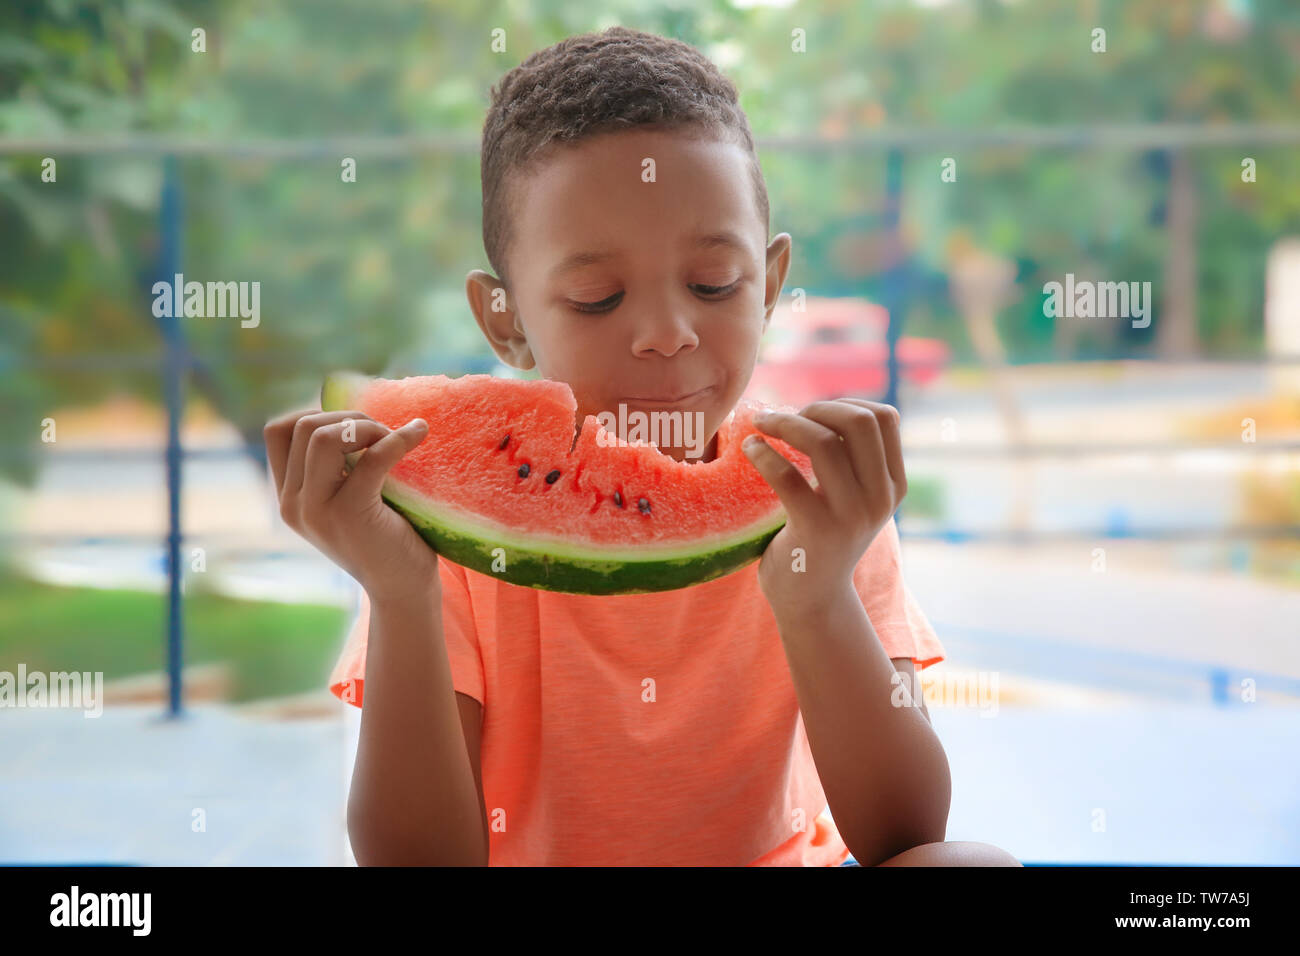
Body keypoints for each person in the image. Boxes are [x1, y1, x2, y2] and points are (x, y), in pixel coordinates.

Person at [264, 26, 1019, 867]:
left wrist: (814, 592)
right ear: (503, 321)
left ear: (769, 286)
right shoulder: (447, 543)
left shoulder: (822, 501)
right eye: (596, 298)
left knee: (968, 869)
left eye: (712, 285)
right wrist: (399, 591)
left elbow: (906, 832)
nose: (665, 334)